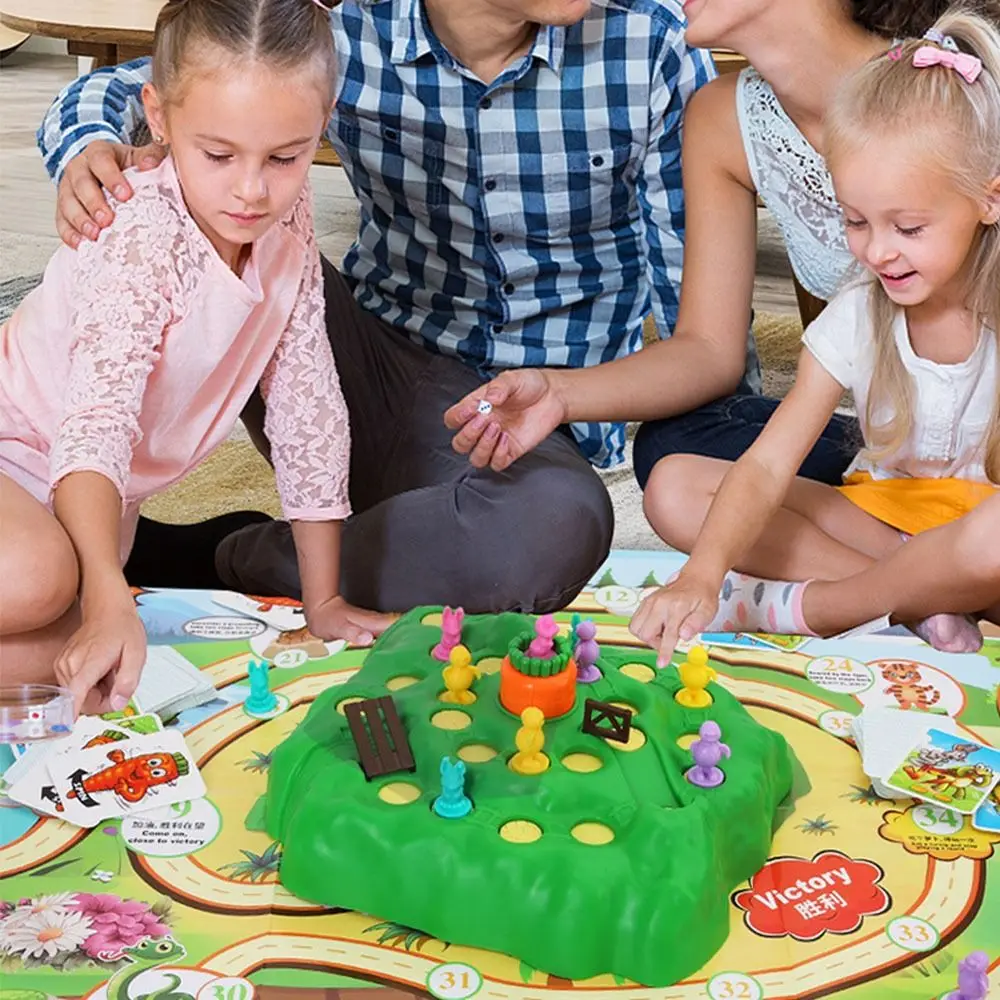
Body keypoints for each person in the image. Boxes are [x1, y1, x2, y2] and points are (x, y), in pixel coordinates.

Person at [37, 0, 718, 615]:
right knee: (214, 222)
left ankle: (230, 557)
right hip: (367, 355)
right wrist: (88, 145)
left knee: (552, 526)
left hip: (535, 413)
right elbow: (162, 81)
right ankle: (63, 496)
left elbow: (704, 331)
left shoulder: (651, 41)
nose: (252, 180)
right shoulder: (349, 33)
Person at [1, 0, 392, 715]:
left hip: (90, 494)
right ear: (158, 115)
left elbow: (308, 401)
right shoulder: (144, 233)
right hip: (27, 450)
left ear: (323, 121)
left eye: (286, 156)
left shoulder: (289, 215)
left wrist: (324, 598)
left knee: (74, 674)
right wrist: (102, 594)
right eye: (218, 155)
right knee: (40, 582)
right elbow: (96, 426)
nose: (253, 190)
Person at [444, 0, 955, 481]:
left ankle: (912, 548)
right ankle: (915, 540)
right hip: (892, 437)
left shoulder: (955, 87)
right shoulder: (721, 115)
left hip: (986, 430)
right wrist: (557, 392)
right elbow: (709, 349)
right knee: (679, 445)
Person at [629, 8, 1000, 663]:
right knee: (675, 485)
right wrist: (701, 574)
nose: (879, 253)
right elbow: (769, 463)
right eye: (856, 221)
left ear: (988, 200)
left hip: (982, 539)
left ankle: (822, 608)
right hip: (886, 522)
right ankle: (924, 600)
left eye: (907, 228)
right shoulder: (862, 312)